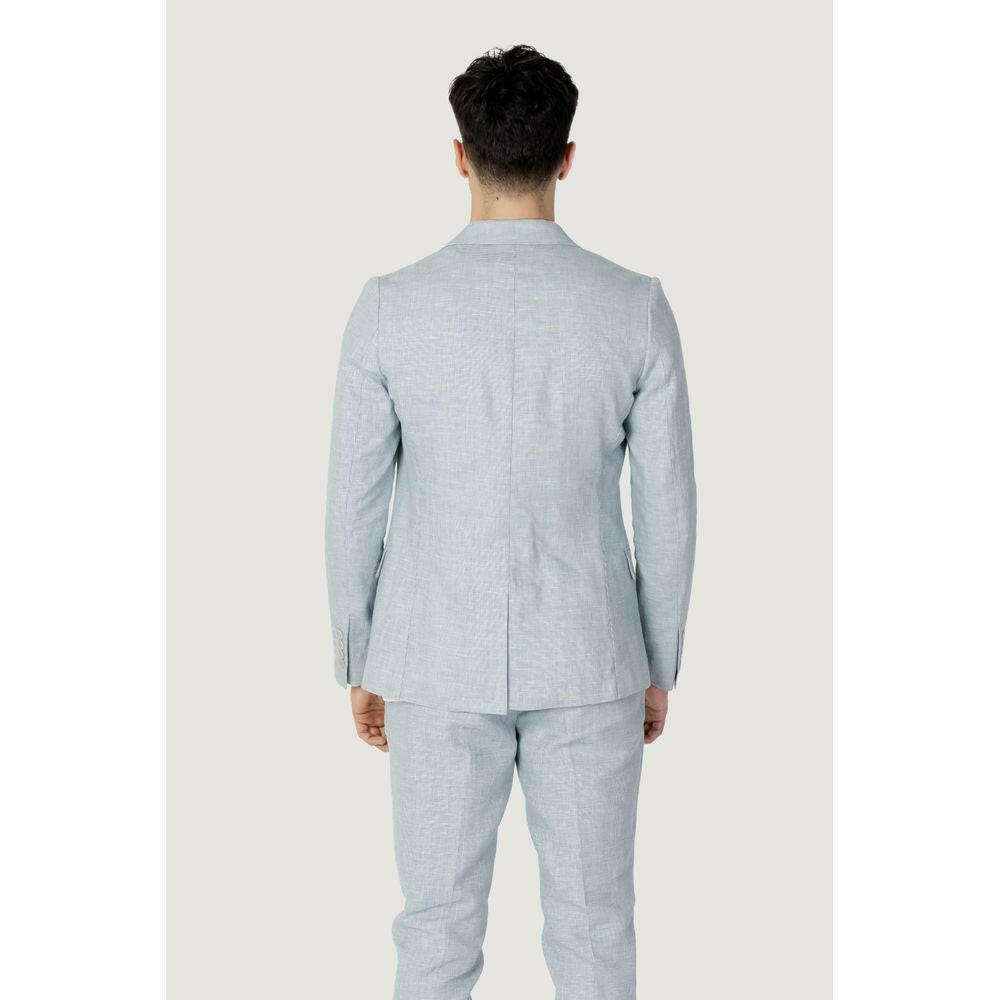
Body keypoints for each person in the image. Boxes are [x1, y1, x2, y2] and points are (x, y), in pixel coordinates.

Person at [326, 44, 696, 1000]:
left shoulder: (389, 309)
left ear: (460, 156)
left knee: (434, 931)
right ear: (567, 157)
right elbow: (667, 509)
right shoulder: (636, 309)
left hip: (430, 659)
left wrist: (362, 654)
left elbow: (353, 503)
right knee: (595, 929)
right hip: (592, 658)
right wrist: (657, 661)